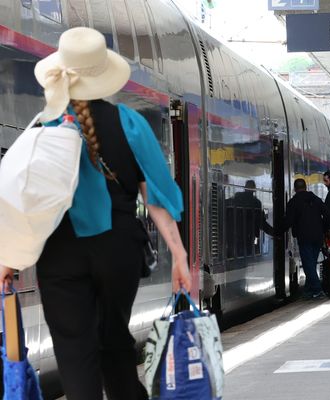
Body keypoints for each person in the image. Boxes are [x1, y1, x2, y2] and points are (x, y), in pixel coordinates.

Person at [0, 27, 191, 400]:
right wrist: (180, 255)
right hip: (118, 248)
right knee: (115, 344)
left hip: (61, 252)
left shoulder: (45, 126)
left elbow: (24, 201)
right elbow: (157, 197)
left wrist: (9, 258)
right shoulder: (130, 123)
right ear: (103, 75)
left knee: (74, 353)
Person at [283, 178, 327, 299]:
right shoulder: (316, 199)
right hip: (318, 236)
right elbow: (326, 212)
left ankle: (318, 290)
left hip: (304, 237)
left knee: (308, 265)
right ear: (305, 187)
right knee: (311, 264)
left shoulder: (293, 202)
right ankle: (308, 291)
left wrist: (278, 230)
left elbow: (288, 221)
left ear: (295, 189)